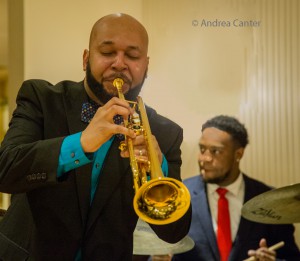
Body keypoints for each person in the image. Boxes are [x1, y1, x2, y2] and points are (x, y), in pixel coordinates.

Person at [0, 13, 191, 260]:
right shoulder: (41, 97)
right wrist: (80, 144)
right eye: (107, 52)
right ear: (86, 59)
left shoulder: (166, 133)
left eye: (132, 56)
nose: (120, 63)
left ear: (146, 66)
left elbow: (174, 232)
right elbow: (5, 170)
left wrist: (158, 170)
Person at [171, 115, 300, 261]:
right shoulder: (178, 194)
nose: (204, 158)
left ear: (238, 154)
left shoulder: (272, 200)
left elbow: (292, 257)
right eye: (202, 149)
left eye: (215, 151)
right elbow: (155, 251)